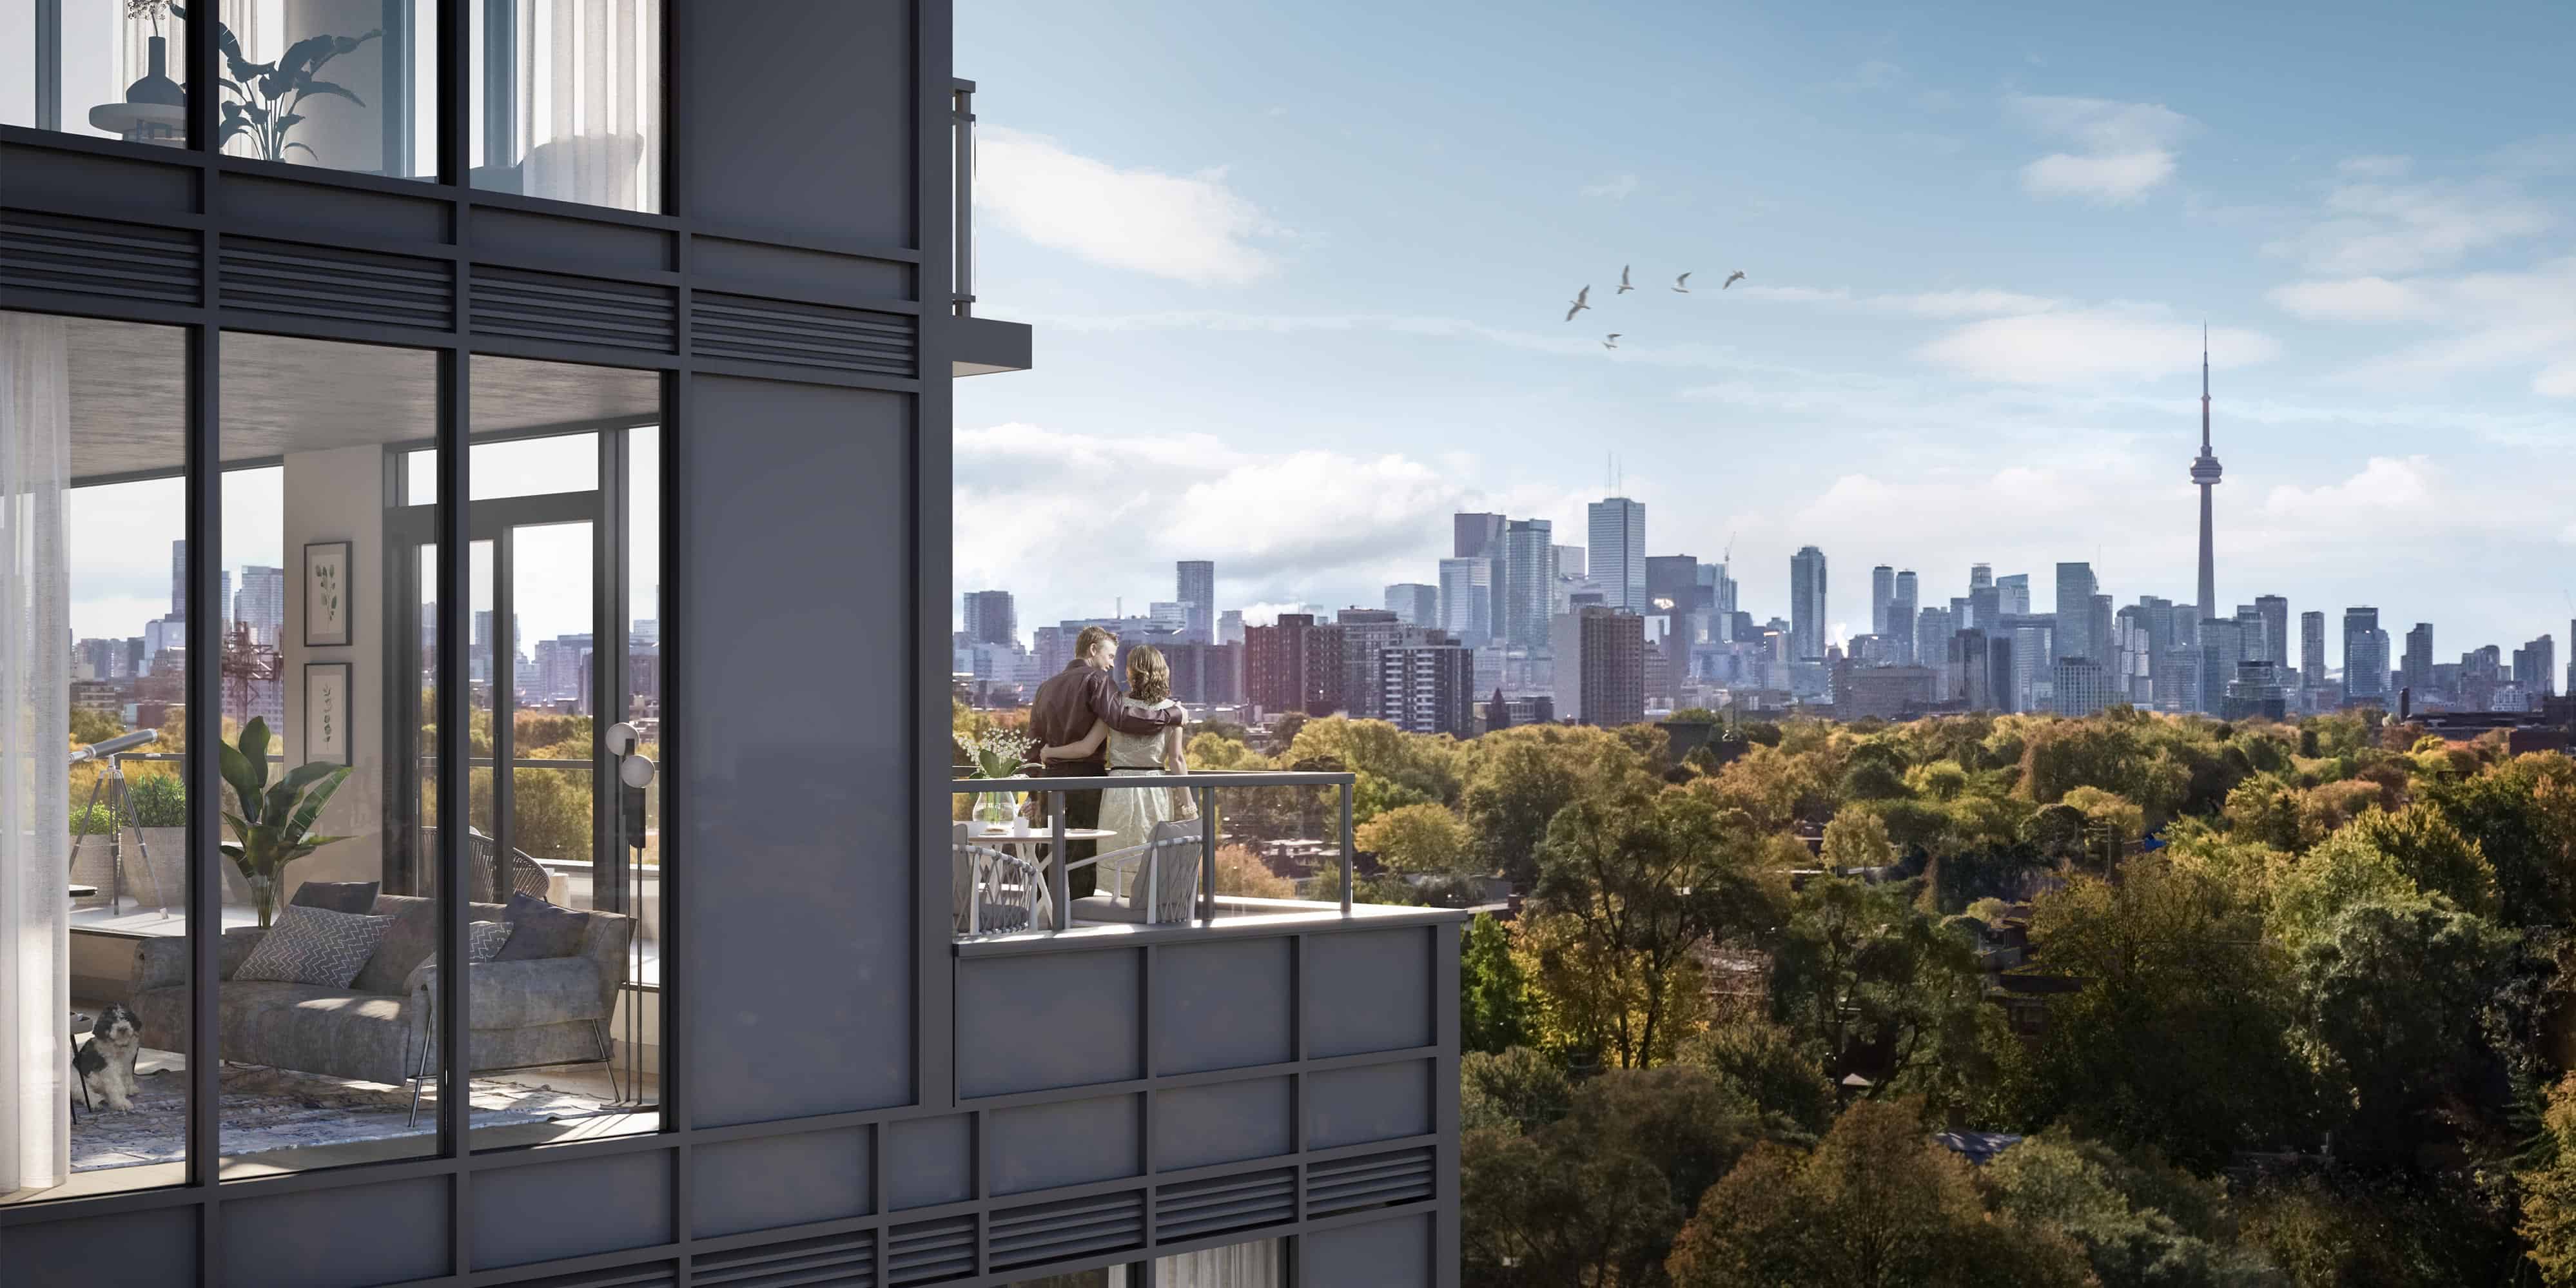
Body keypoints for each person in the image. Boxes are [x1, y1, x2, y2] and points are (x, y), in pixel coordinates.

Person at [1028, 626, 1182, 897]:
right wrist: (1170, 716)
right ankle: (1074, 923)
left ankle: (1045, 918)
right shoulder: (1097, 680)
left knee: (1050, 851)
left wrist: (1031, 794)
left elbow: (1032, 745)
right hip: (1087, 782)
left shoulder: (1045, 687)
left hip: (1049, 784)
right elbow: (1121, 719)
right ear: (1093, 650)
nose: (1112, 665)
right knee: (1082, 854)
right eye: (1110, 656)